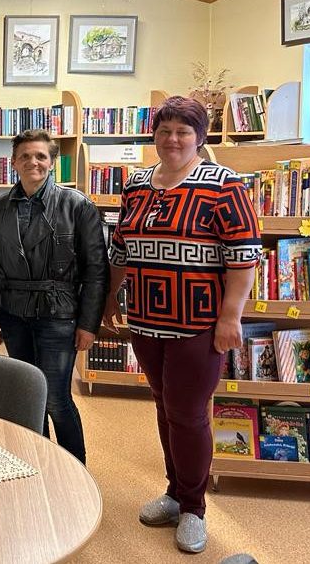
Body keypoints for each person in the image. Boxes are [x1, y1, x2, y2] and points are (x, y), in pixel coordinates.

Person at [102, 97, 260, 554]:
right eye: (165, 130)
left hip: (199, 324)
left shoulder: (223, 184)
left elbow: (244, 256)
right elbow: (121, 247)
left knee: (188, 415)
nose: (172, 139)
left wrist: (230, 316)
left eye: (183, 131)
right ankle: (174, 492)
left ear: (199, 137)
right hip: (146, 320)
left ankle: (194, 508)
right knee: (163, 406)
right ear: (154, 134)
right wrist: (112, 297)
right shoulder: (137, 184)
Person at [0, 129, 107, 465]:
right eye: (25, 156)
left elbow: (96, 270)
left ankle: (74, 469)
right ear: (13, 162)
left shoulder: (77, 205)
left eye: (40, 156)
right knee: (29, 397)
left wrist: (88, 324)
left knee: (55, 398)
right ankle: (39, 464)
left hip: (59, 314)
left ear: (52, 162)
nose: (33, 162)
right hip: (13, 314)